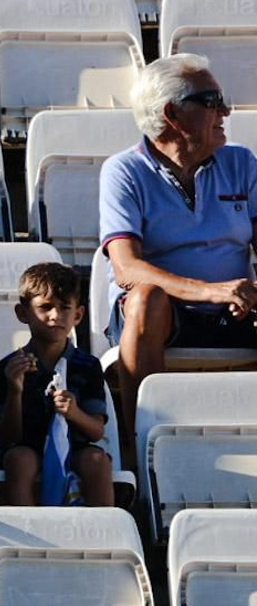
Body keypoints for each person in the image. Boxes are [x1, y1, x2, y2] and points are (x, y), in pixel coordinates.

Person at [100, 54, 257, 431]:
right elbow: (126, 269)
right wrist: (210, 292)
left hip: (235, 309)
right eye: (211, 100)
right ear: (172, 113)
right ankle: (141, 445)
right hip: (164, 315)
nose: (226, 110)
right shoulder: (123, 171)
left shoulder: (242, 162)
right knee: (146, 297)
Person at [0, 263, 113, 508]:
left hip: (76, 448)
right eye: (45, 307)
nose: (55, 316)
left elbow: (96, 431)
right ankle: (25, 540)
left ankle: (105, 535)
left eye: (64, 308)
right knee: (19, 459)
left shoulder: (88, 366)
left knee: (97, 459)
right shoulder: (9, 368)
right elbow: (7, 438)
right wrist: (15, 391)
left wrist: (75, 413)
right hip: (28, 447)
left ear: (77, 315)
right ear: (23, 313)